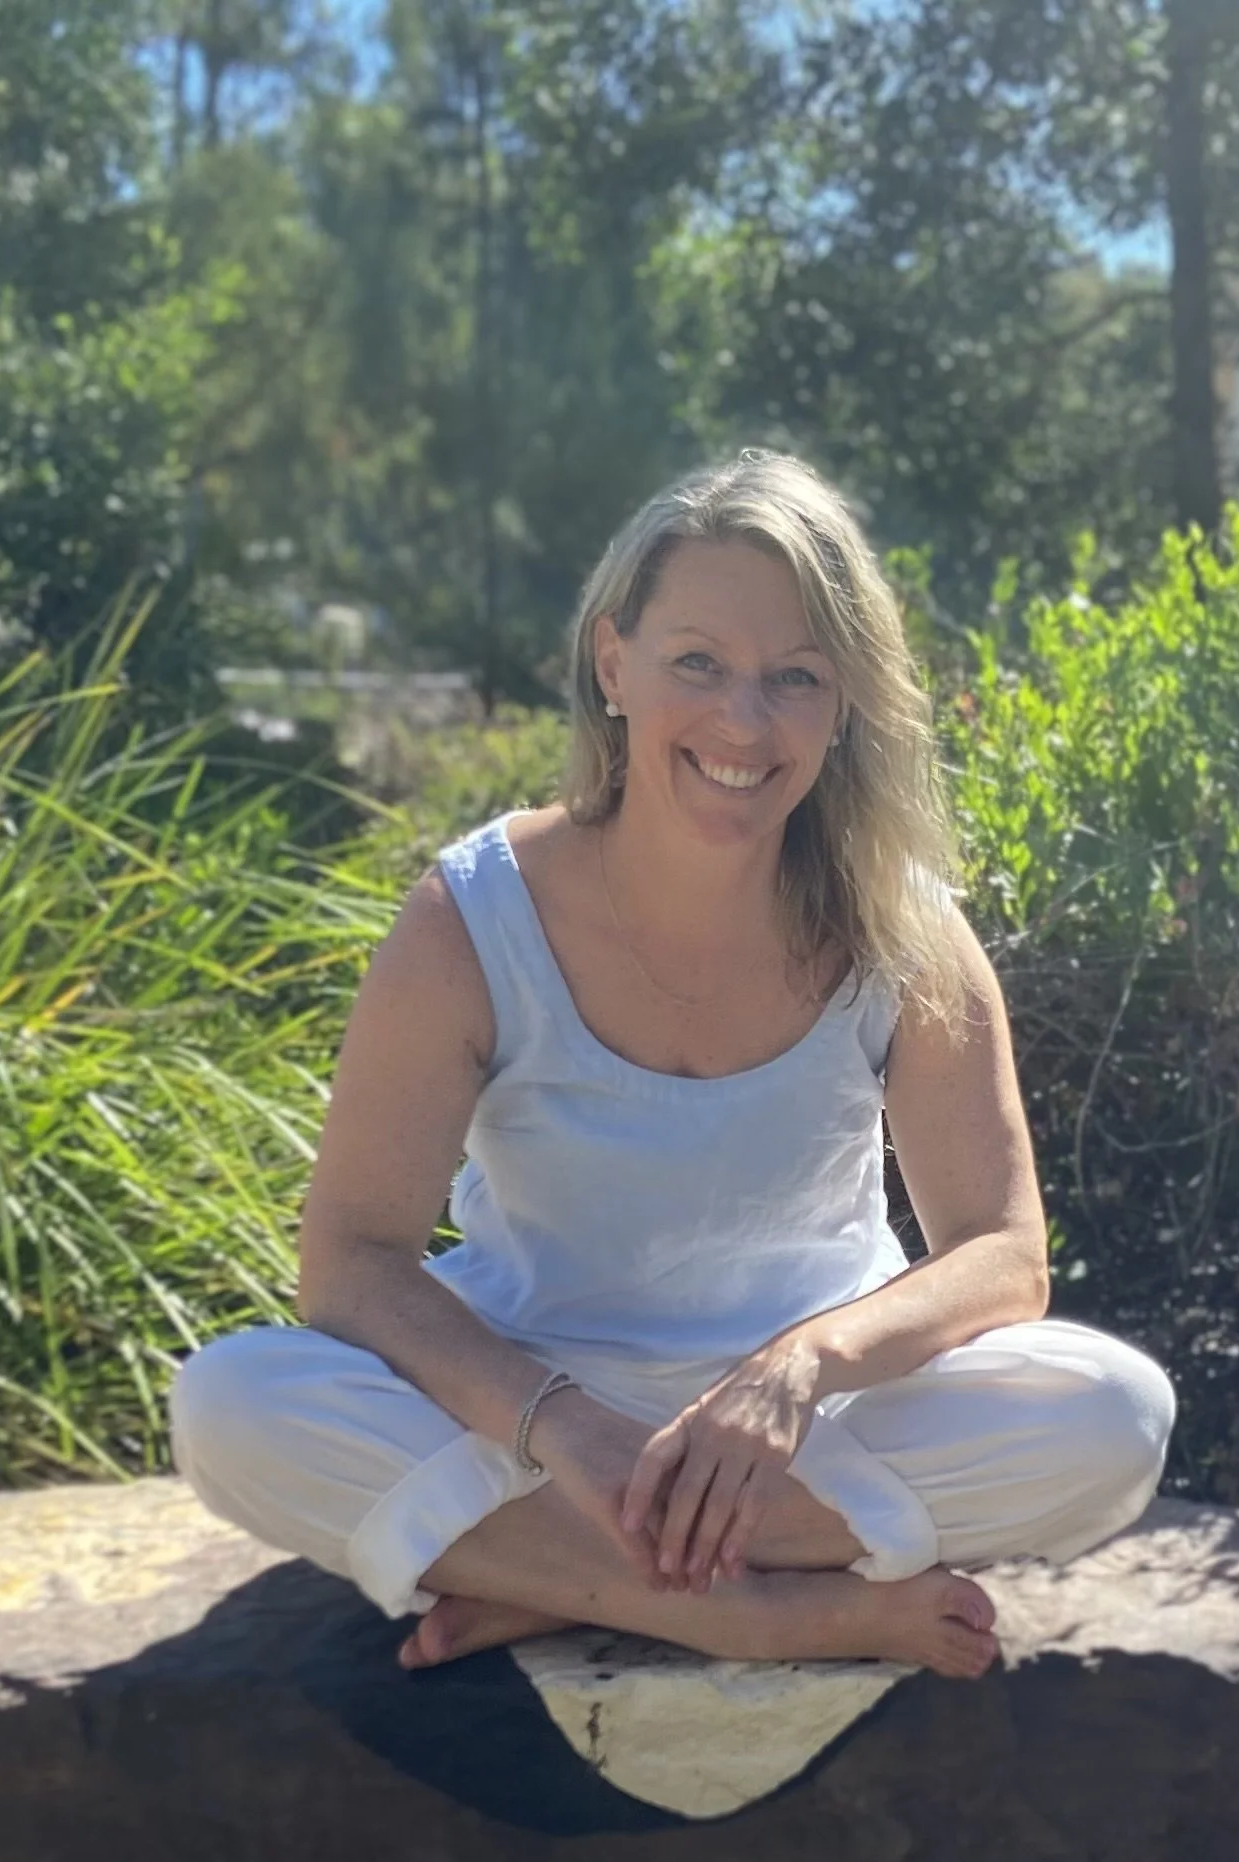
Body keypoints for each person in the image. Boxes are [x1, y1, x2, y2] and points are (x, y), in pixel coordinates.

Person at [171, 450, 1174, 1677]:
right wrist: (565, 1431)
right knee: (231, 1404)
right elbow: (350, 1262)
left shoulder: (901, 929)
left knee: (1115, 1415)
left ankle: (553, 1577)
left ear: (844, 704)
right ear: (615, 665)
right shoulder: (474, 918)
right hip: (527, 1417)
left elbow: (1004, 1255)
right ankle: (745, 1610)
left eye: (795, 676)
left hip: (802, 1430)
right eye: (697, 662)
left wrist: (800, 1369)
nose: (743, 721)